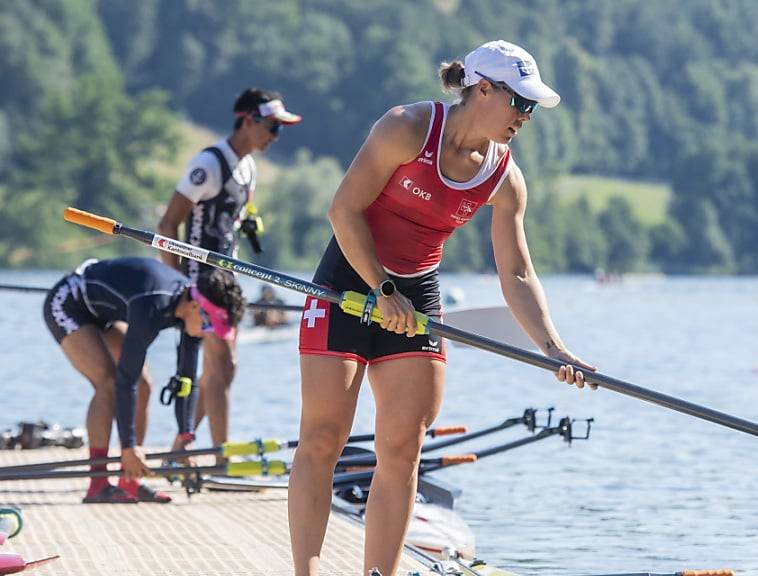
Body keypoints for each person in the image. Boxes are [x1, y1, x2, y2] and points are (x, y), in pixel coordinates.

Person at [289, 40, 595, 576]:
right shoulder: (406, 127)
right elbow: (343, 209)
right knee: (322, 437)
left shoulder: (505, 178)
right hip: (348, 283)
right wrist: (384, 291)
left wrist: (554, 347)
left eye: (531, 107)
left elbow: (517, 273)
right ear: (482, 89)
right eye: (520, 103)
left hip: (417, 298)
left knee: (403, 448)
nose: (526, 116)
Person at [157, 87, 301, 456]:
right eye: (272, 128)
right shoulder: (208, 164)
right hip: (198, 278)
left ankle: (179, 448)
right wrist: (177, 285)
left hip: (226, 282)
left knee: (225, 371)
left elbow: (235, 220)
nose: (275, 137)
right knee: (221, 367)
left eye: (279, 130)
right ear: (248, 121)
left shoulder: (249, 167)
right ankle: (219, 459)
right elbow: (167, 225)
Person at [42, 257, 245, 503]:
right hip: (69, 302)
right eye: (208, 325)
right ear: (195, 306)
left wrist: (185, 437)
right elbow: (124, 381)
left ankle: (129, 480)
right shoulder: (152, 307)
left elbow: (186, 381)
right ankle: (98, 484)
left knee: (144, 385)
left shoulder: (190, 311)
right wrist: (128, 446)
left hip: (103, 310)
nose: (207, 332)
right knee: (108, 382)